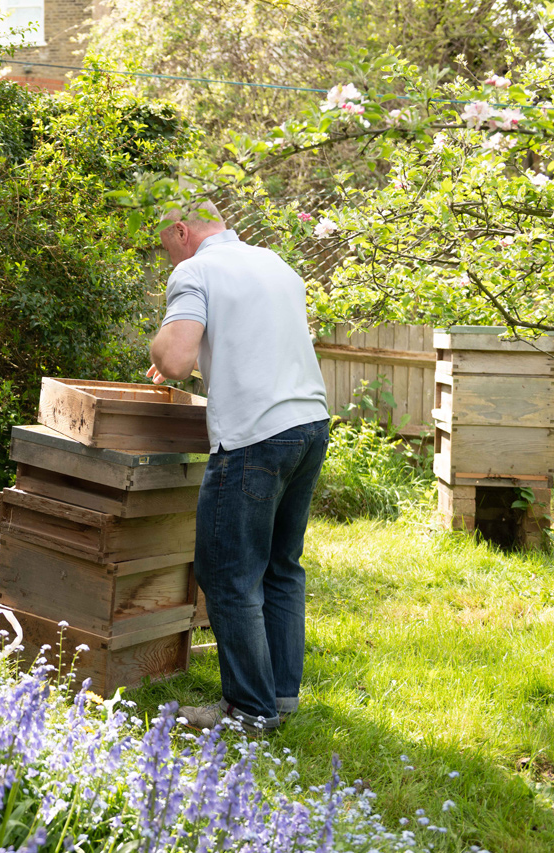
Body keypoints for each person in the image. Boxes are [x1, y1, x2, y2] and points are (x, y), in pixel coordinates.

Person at [147, 200, 329, 731]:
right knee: (281, 566)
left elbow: (176, 360)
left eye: (166, 248)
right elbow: (257, 347)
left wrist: (163, 351)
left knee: (227, 574)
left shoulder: (194, 269)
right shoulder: (276, 264)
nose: (168, 261)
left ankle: (249, 710)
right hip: (309, 425)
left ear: (182, 232)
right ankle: (279, 695)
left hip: (254, 438)